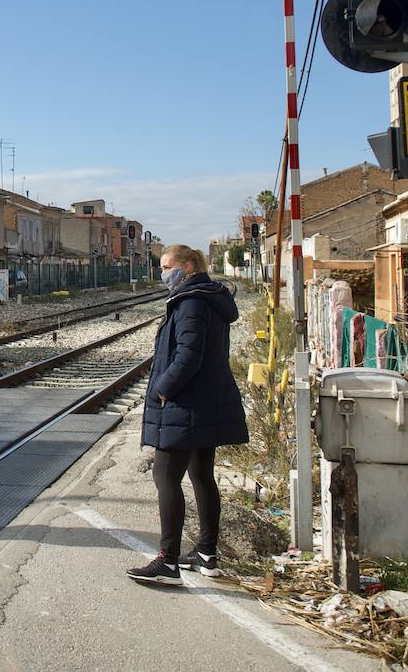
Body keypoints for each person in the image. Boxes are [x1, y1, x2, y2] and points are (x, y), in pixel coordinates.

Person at [128, 243, 248, 586]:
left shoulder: (192, 300)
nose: (163, 273)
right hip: (205, 400)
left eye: (167, 266)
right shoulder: (206, 296)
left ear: (188, 265)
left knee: (165, 477)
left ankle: (167, 562)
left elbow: (188, 355)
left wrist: (161, 388)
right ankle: (207, 554)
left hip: (186, 403)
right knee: (201, 475)